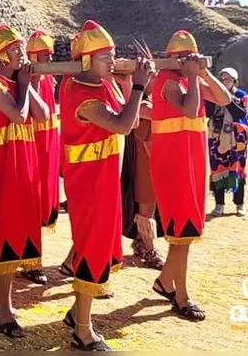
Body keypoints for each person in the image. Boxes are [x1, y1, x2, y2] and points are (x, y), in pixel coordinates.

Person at [60, 19, 154, 351]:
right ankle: (82, 332)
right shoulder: (78, 93)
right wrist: (139, 86)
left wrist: (137, 85)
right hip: (88, 184)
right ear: (86, 60)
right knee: (91, 247)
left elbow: (132, 111)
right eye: (105, 58)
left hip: (104, 179)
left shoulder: (105, 84)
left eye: (113, 56)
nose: (112, 63)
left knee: (101, 245)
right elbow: (124, 124)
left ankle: (76, 314)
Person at [0, 24, 49, 339]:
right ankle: (3, 310)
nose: (22, 54)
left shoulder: (17, 83)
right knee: (4, 233)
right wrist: (23, 85)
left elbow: (41, 115)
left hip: (21, 164)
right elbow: (18, 116)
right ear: (2, 54)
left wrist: (28, 86)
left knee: (18, 230)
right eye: (16, 50)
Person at [150, 30, 231, 322]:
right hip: (173, 164)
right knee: (181, 230)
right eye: (187, 58)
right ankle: (181, 297)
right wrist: (196, 77)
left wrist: (205, 74)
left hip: (193, 161)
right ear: (174, 60)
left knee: (186, 230)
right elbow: (186, 106)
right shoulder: (166, 81)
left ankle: (164, 281)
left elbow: (225, 98)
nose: (191, 62)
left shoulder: (191, 79)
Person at [24, 31, 60, 285]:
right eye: (44, 55)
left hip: (48, 147)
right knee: (30, 204)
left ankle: (32, 258)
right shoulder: (27, 79)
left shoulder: (49, 79)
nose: (49, 59)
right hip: (32, 147)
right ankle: (29, 261)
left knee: (42, 203)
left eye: (50, 54)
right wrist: (33, 81)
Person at [119, 72, 165, 270]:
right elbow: (156, 114)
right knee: (146, 208)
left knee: (149, 207)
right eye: (153, 77)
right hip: (144, 162)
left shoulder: (149, 102)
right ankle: (148, 248)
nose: (157, 81)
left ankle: (141, 242)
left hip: (154, 159)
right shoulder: (143, 105)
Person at [206, 67, 248, 217]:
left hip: (236, 138)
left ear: (234, 81)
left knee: (237, 169)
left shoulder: (242, 96)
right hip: (216, 137)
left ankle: (240, 203)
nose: (225, 82)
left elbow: (241, 112)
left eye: (228, 79)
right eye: (222, 79)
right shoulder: (212, 95)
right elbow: (208, 112)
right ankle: (219, 205)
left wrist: (226, 98)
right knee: (217, 169)